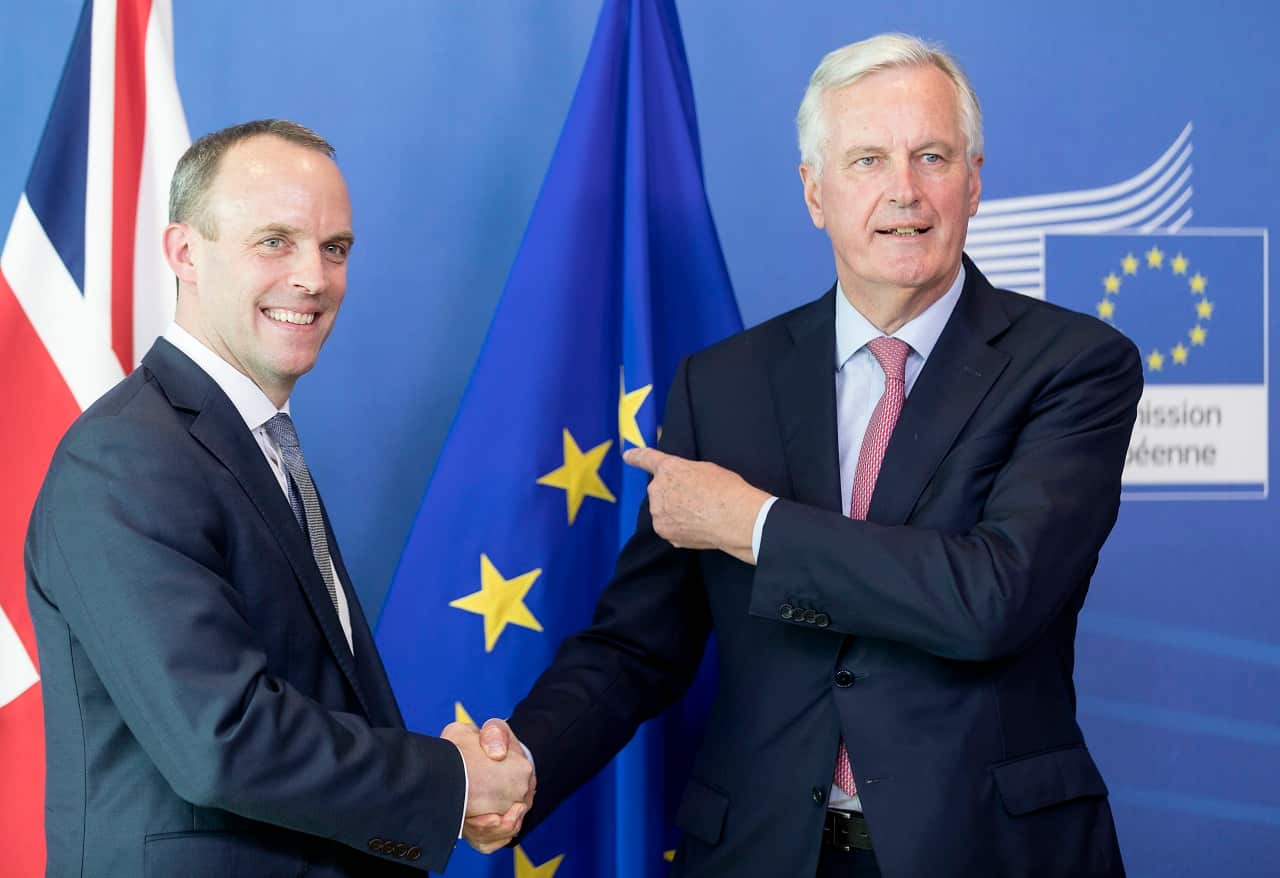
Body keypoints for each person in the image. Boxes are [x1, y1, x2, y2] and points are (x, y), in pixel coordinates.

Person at [476, 33, 1142, 877]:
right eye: (866, 159)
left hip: (991, 852)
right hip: (762, 852)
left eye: (931, 156)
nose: (905, 191)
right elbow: (639, 644)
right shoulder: (722, 385)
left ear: (974, 181)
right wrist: (526, 759)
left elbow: (992, 595)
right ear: (814, 192)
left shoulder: (1075, 364)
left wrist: (753, 525)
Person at [25, 119, 531, 877]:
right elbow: (221, 740)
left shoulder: (254, 442)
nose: (313, 277)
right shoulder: (127, 456)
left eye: (335, 248)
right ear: (184, 254)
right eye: (274, 241)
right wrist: (452, 784)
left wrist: (449, 795)